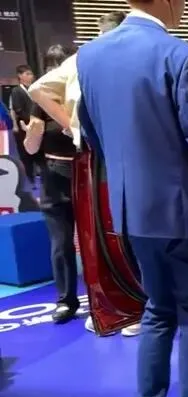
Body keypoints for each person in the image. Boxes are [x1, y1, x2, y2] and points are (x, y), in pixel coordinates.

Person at [76, 0, 188, 397]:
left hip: (131, 212)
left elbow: (91, 133)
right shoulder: (180, 54)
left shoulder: (91, 55)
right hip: (184, 211)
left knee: (158, 309)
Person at [28, 10, 142, 337]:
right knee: (109, 235)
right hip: (102, 159)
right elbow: (38, 91)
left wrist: (74, 129)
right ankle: (118, 307)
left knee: (103, 237)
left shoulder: (87, 59)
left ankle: (115, 307)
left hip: (91, 160)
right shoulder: (108, 60)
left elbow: (38, 89)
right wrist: (74, 128)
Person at [21, 45, 81, 322]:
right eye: (51, 68)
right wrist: (33, 134)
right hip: (55, 176)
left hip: (88, 174)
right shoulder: (40, 100)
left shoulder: (84, 95)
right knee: (61, 242)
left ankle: (108, 299)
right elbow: (31, 148)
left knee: (99, 241)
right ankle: (66, 300)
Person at [9, 65, 39, 185]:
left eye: (31, 74)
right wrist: (31, 119)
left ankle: (37, 176)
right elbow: (17, 109)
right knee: (25, 154)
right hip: (24, 127)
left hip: (35, 127)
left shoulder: (34, 89)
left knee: (37, 152)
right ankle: (29, 179)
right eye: (27, 74)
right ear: (20, 76)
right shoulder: (17, 91)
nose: (30, 76)